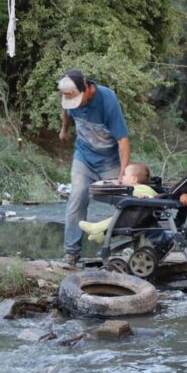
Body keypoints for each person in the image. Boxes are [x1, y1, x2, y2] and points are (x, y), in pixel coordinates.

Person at [58, 69, 131, 266]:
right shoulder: (70, 96)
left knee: (126, 202)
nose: (74, 104)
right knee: (77, 196)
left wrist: (123, 172)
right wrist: (64, 129)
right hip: (83, 157)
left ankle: (134, 247)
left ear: (88, 90)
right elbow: (66, 110)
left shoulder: (107, 99)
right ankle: (71, 253)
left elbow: (123, 140)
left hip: (109, 161)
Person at [78, 162, 157, 243]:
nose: (121, 177)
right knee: (117, 217)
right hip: (140, 218)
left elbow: (150, 196)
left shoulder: (140, 188)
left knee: (116, 218)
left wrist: (146, 196)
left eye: (124, 175)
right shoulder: (141, 188)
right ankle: (100, 235)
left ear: (134, 179)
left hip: (136, 219)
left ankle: (95, 228)